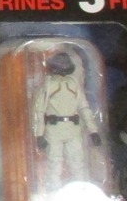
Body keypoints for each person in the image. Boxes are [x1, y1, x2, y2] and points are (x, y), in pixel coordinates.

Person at [32, 50, 101, 189]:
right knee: (54, 165)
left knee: (77, 164)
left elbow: (84, 108)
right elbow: (39, 111)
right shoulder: (48, 84)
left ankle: (81, 191)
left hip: (72, 129)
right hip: (54, 129)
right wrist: (39, 134)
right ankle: (54, 193)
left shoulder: (73, 83)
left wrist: (93, 131)